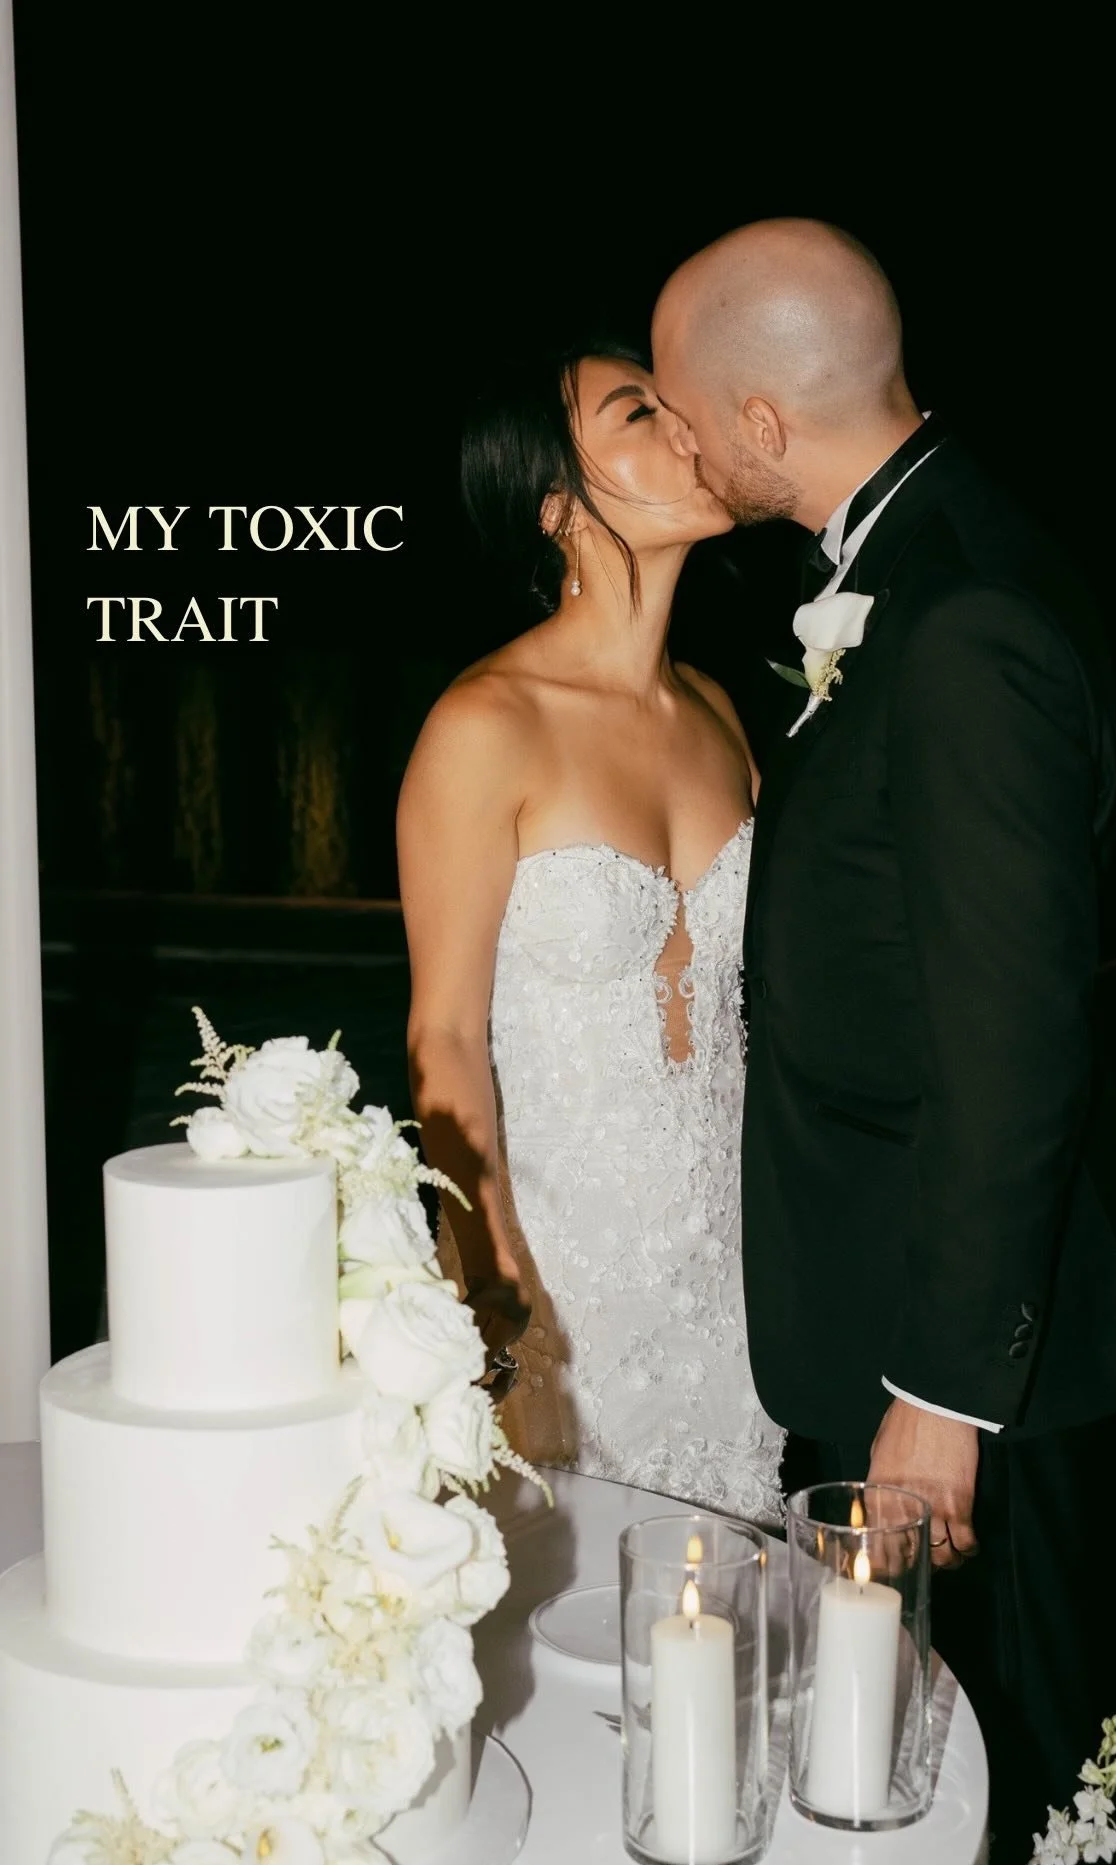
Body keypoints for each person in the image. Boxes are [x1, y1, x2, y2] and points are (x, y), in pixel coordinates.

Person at [652, 218, 1116, 1865]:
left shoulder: (961, 617)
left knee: (1016, 1840)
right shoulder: (923, 563)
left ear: (762, 422)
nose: (679, 443)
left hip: (974, 1386)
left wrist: (938, 1400)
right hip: (899, 1319)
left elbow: (1011, 1042)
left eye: (684, 413)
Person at [396, 343, 784, 1524]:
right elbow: (444, 1035)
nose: (687, 427)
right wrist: (493, 1286)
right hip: (561, 1276)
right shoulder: (485, 723)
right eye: (637, 413)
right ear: (555, 504)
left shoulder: (718, 711)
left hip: (729, 1276)